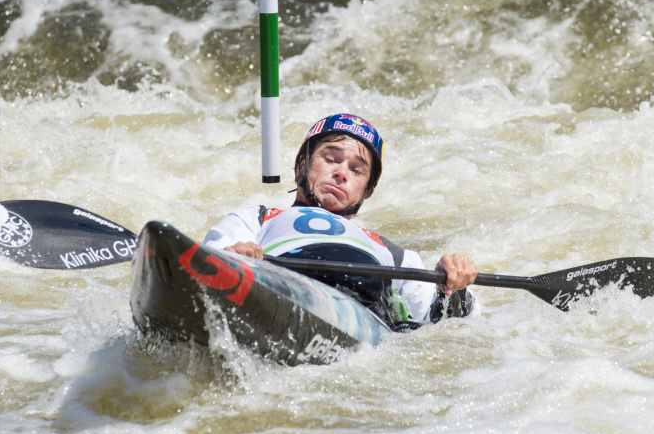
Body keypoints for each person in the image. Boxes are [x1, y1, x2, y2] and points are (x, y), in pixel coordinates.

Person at [203, 113, 478, 329]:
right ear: (302, 165)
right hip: (278, 291)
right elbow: (207, 267)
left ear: (366, 191)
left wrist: (454, 285)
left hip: (362, 311)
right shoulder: (256, 219)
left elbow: (443, 323)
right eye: (331, 159)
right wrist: (232, 259)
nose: (342, 173)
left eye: (357, 170)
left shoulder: (395, 257)